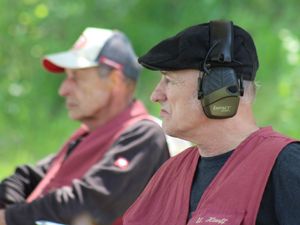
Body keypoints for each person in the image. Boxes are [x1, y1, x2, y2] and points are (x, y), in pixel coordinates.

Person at [123, 20, 300, 225]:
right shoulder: (170, 173)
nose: (155, 95)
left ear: (218, 88)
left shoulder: (285, 165)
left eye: (169, 80)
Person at [0, 27, 170, 225]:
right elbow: (29, 177)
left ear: (114, 80)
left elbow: (88, 204)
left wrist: (11, 218)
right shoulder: (92, 134)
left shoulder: (144, 136)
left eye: (76, 78)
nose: (63, 90)